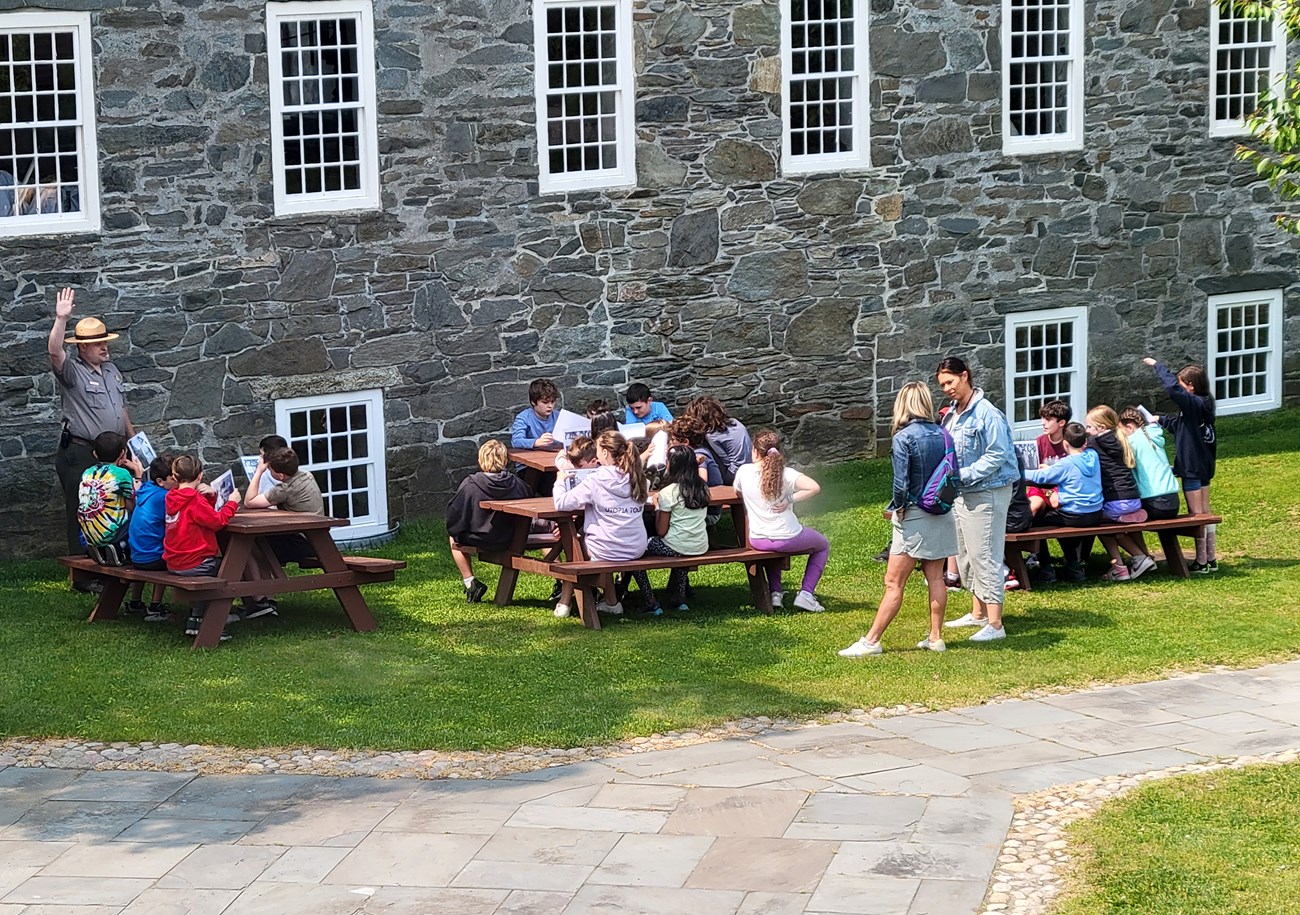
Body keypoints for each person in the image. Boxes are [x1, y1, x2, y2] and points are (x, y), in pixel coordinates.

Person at [840, 383, 957, 657]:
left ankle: (871, 641)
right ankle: (936, 638)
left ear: (902, 404)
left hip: (914, 514)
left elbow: (901, 483)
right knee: (936, 577)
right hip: (940, 510)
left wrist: (898, 508)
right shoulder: (943, 433)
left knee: (894, 583)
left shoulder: (903, 437)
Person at [48, 287, 133, 592]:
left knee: (111, 508)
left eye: (104, 341)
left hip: (113, 451)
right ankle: (82, 576)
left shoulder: (111, 370)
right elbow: (55, 352)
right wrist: (61, 319)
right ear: (82, 347)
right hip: (81, 452)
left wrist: (132, 441)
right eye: (98, 343)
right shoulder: (72, 371)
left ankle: (108, 564)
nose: (104, 347)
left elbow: (120, 408)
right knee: (82, 510)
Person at [936, 357, 1018, 642]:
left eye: (950, 382)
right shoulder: (953, 413)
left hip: (988, 493)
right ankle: (978, 613)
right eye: (942, 385)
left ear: (965, 376)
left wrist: (963, 474)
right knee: (965, 555)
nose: (947, 388)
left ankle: (996, 625)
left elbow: (998, 454)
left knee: (985, 555)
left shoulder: (987, 413)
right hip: (962, 492)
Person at [553, 431, 650, 618]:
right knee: (590, 543)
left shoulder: (595, 480)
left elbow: (562, 503)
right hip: (636, 547)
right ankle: (611, 602)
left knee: (573, 544)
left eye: (597, 450)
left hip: (607, 549)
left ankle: (566, 602)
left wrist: (559, 482)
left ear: (605, 452)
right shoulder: (639, 478)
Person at [733, 428, 829, 613]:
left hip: (759, 539)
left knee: (772, 551)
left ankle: (776, 592)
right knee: (822, 544)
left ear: (755, 451)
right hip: (788, 537)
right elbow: (814, 487)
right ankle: (806, 594)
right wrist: (789, 499)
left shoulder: (744, 472)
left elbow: (738, 491)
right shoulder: (787, 473)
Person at [1144, 357, 1217, 572]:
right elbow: (1183, 425)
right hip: (1204, 464)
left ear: (1191, 387)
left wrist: (1158, 366)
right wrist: (1161, 419)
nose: (1181, 388)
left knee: (1197, 515)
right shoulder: (1204, 403)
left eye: (1184, 384)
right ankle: (1210, 559)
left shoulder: (1193, 403)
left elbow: (1173, 390)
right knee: (1205, 511)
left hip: (1192, 467)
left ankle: (1202, 562)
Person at [240, 446, 326, 616]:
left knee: (247, 546)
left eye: (269, 470)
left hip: (302, 543)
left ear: (280, 475)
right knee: (259, 543)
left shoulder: (286, 488)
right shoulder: (307, 476)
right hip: (313, 537)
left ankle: (260, 600)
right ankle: (266, 599)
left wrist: (258, 472)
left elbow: (249, 501)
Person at [446, 440, 534, 603]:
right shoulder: (519, 485)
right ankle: (561, 583)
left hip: (479, 537)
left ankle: (470, 582)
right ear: (506, 460)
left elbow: (454, 517)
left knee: (453, 539)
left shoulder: (470, 485)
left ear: (481, 460)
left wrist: (457, 529)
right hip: (512, 538)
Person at [164, 454, 241, 641]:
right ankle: (214, 621)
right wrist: (232, 502)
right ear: (200, 476)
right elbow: (217, 521)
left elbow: (200, 517)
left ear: (174, 477)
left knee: (216, 567)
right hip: (194, 562)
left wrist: (211, 497)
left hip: (174, 562)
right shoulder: (194, 500)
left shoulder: (171, 496)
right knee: (230, 567)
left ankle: (195, 619)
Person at [629, 445, 711, 615]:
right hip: (700, 545)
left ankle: (650, 600)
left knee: (634, 552)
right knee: (682, 549)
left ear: (671, 465)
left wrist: (659, 507)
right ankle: (679, 598)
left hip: (676, 546)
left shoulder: (669, 492)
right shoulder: (703, 488)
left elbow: (661, 531)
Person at [1025, 422, 1104, 581]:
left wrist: (1018, 471)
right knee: (1061, 523)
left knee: (1038, 521)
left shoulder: (1065, 465)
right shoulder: (1093, 456)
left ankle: (1046, 568)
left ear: (1065, 443)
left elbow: (1039, 477)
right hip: (1096, 513)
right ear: (1085, 442)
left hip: (1075, 515)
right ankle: (1074, 567)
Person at [1085, 406, 1148, 582]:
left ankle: (1129, 563)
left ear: (1101, 428)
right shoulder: (1121, 438)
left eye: (1089, 427)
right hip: (1133, 498)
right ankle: (1137, 556)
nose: (1087, 431)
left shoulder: (1094, 443)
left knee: (1097, 523)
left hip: (1116, 500)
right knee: (1107, 523)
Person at [1118, 406, 1181, 578]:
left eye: (1121, 430)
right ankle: (1145, 557)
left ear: (1129, 426)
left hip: (1154, 502)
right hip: (1173, 501)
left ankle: (1143, 556)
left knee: (1125, 515)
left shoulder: (1132, 442)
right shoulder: (1153, 435)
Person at [77, 431, 141, 565]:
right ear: (123, 454)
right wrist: (138, 475)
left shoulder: (87, 472)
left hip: (87, 533)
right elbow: (132, 505)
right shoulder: (121, 474)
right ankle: (120, 547)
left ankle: (98, 548)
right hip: (111, 532)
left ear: (95, 454)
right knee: (140, 515)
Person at [126, 453, 176, 621]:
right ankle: (155, 607)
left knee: (155, 548)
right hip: (152, 557)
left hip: (136, 555)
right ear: (161, 481)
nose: (178, 481)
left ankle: (135, 601)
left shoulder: (146, 489)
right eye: (174, 478)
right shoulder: (164, 497)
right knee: (170, 556)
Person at [683, 396, 752, 484]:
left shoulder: (711, 435)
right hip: (749, 466)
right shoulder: (735, 422)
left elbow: (725, 461)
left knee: (701, 449)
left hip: (735, 474)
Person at [511, 378, 561, 450]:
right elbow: (516, 441)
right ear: (533, 402)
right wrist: (536, 442)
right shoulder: (524, 417)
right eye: (545, 402)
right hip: (529, 459)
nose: (550, 406)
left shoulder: (558, 416)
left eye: (552, 402)